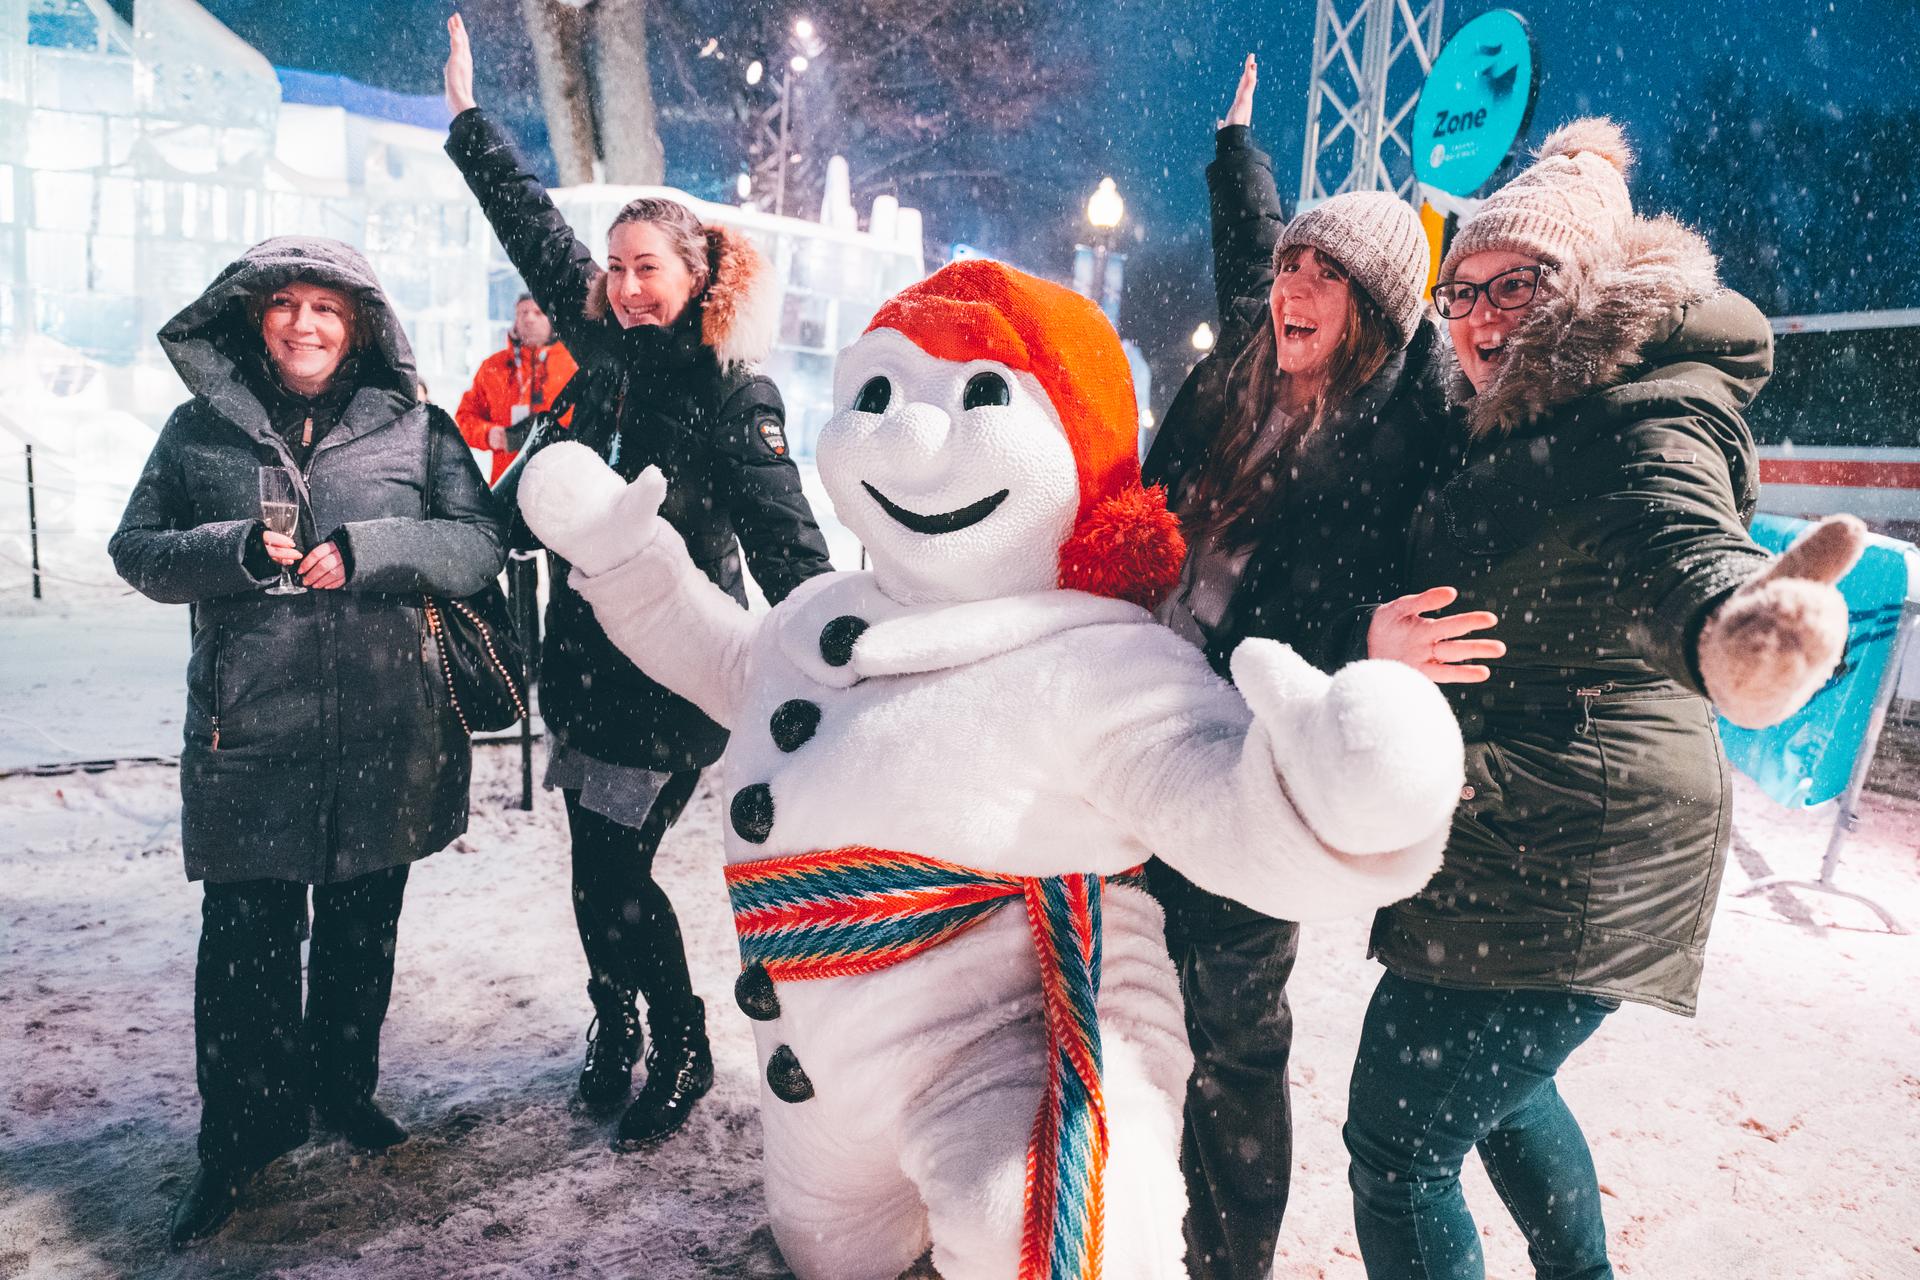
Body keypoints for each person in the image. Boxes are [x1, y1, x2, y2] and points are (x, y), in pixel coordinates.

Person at [1344, 118, 1862, 1280]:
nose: (1476, 318)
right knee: (1500, 1098)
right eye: (1459, 290)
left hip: (1584, 841)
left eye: (1512, 286)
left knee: (1398, 1139)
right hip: (1518, 823)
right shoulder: (1526, 418)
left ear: (1580, 294)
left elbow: (1683, 535)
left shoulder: (1640, 413)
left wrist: (1735, 628)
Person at [441, 14, 834, 1149]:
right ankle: (616, 1020)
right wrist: (469, 124)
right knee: (591, 873)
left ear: (697, 272)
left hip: (669, 674)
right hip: (582, 662)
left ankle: (682, 1037)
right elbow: (532, 231)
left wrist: (825, 642)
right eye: (614, 270)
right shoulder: (603, 344)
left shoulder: (729, 392)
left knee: (618, 876)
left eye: (645, 269)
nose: (622, 286)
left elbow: (786, 538)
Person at [1141, 56, 1497, 1280]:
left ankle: (1223, 1258)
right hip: (1158, 698)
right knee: (1134, 979)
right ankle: (1119, 1204)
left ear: (1380, 312)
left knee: (1234, 1029)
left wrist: (1377, 668)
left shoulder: (1414, 434)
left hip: (1269, 748)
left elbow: (1441, 587)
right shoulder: (1253, 357)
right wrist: (1236, 147)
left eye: (1324, 272)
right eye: (1295, 262)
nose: (1294, 281)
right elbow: (1249, 247)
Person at [109, 236, 507, 1246]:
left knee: (359, 938)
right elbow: (137, 550)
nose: (305, 324)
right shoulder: (196, 430)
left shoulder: (418, 430)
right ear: (254, 317)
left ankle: (343, 1089)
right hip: (250, 734)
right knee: (242, 953)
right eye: (285, 304)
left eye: (328, 308)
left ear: (361, 322)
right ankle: (236, 1143)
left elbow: (476, 544)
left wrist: (373, 549)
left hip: (385, 731)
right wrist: (233, 550)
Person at [457, 292, 578, 483]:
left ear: (552, 318)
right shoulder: (492, 367)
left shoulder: (573, 365)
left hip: (561, 482)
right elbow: (464, 419)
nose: (529, 318)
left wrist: (551, 434)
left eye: (538, 312)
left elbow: (588, 421)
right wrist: (489, 434)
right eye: (523, 313)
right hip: (506, 483)